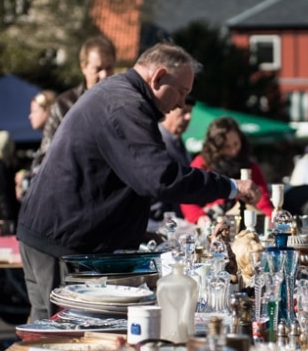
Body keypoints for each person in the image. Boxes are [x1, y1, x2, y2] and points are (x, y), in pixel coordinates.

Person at [17, 41, 262, 321]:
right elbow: (160, 178)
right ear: (157, 77)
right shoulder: (125, 105)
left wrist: (138, 234)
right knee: (62, 337)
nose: (181, 103)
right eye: (181, 92)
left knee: (44, 335)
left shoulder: (120, 96)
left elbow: (127, 176)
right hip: (61, 242)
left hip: (53, 235)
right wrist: (231, 187)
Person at [180, 116, 274, 225]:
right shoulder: (202, 164)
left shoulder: (250, 166)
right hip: (210, 222)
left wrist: (271, 219)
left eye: (236, 144)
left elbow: (262, 199)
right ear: (216, 147)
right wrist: (199, 216)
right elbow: (187, 195)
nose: (233, 151)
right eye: (227, 146)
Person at [39, 34, 116, 158]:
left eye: (109, 68)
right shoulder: (63, 105)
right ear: (83, 67)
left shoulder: (124, 104)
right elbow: (46, 156)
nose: (104, 75)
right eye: (98, 69)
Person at [149, 94, 195, 223]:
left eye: (190, 112)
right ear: (169, 111)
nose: (188, 117)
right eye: (184, 111)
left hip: (179, 221)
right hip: (158, 222)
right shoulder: (154, 140)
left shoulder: (180, 143)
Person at [15, 90, 57, 201]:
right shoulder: (48, 140)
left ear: (48, 110)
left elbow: (50, 175)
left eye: (34, 111)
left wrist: (25, 178)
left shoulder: (55, 140)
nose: (30, 116)